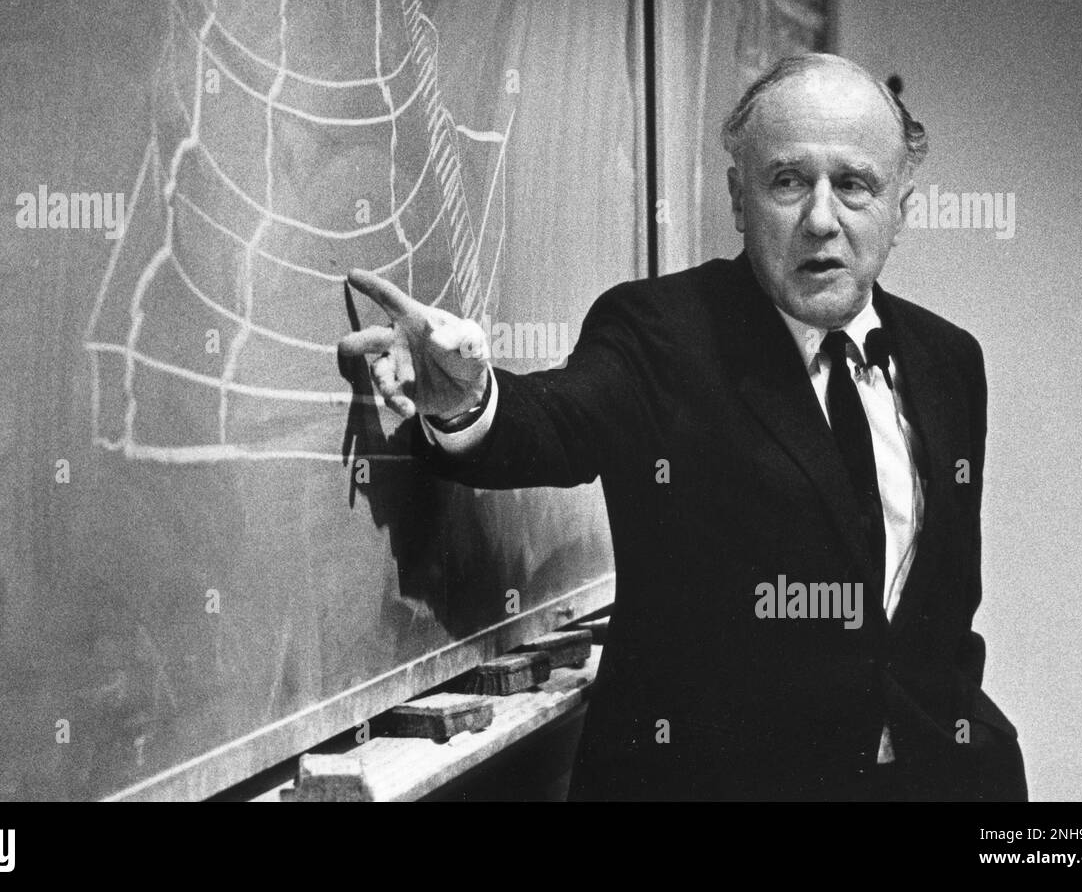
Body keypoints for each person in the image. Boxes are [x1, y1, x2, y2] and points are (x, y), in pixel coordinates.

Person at [337, 53, 1027, 801]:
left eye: (854, 184)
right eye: (789, 181)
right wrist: (469, 400)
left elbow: (941, 612)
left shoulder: (948, 362)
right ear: (739, 197)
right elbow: (557, 421)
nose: (822, 219)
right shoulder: (661, 334)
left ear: (902, 208)